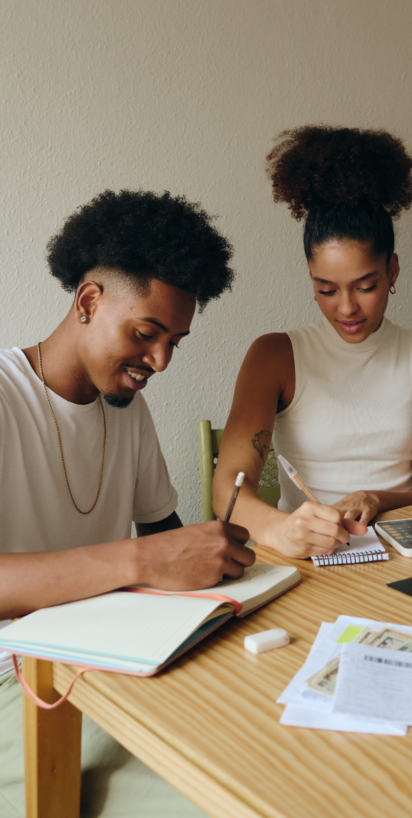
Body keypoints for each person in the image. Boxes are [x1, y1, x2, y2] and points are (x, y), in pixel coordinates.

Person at [0, 189, 254, 818]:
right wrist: (144, 560)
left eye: (177, 342)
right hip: (17, 682)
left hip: (109, 662)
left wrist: (217, 560)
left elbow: (168, 542)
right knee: (214, 800)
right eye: (147, 333)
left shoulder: (127, 409)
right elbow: (149, 554)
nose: (161, 361)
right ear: (89, 301)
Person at [213, 125, 412, 559]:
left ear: (393, 271)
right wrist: (283, 530)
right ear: (310, 278)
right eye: (327, 289)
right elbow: (228, 489)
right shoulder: (275, 356)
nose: (346, 308)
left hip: (401, 556)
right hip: (307, 560)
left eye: (365, 286)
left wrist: (377, 498)